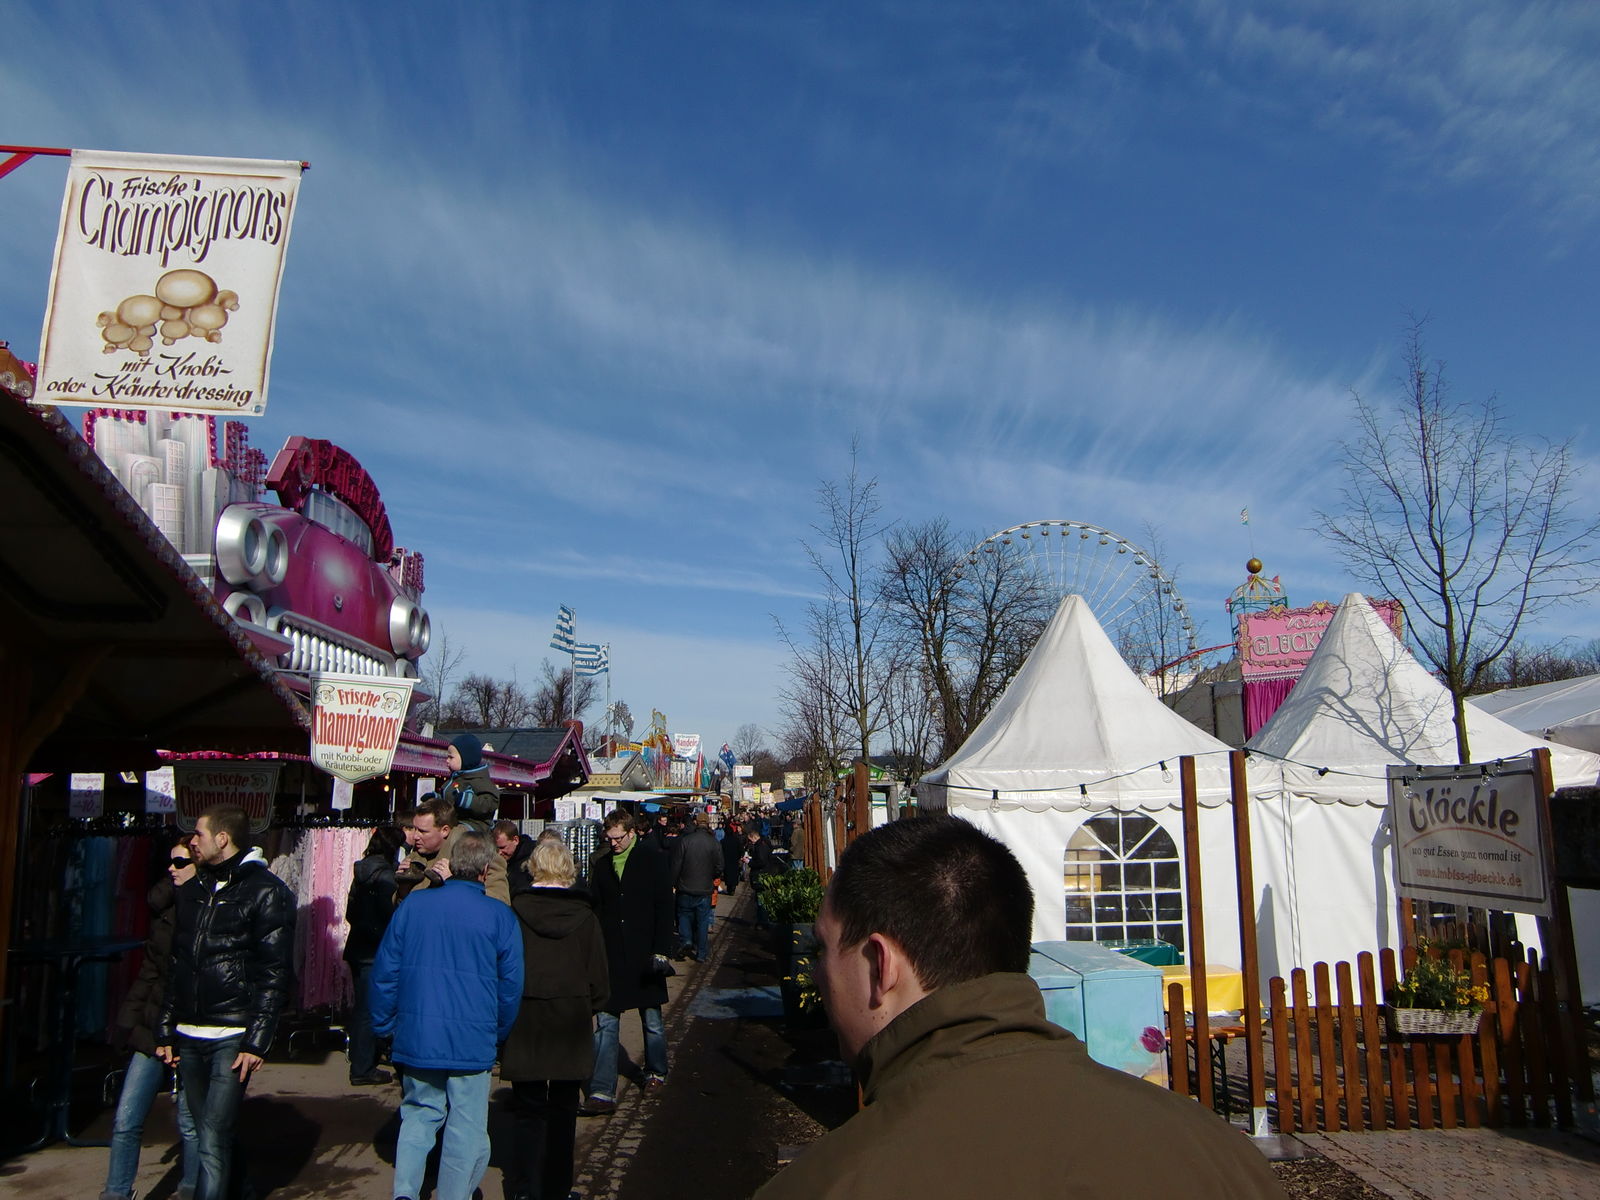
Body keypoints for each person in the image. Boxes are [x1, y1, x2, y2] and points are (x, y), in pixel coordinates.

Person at [754, 817, 1288, 1200]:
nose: (817, 972)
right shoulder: (1222, 1156)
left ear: (880, 964)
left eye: (823, 948)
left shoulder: (827, 1184)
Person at [370, 830, 522, 1200]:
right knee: (466, 1126)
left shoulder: (414, 906)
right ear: (485, 871)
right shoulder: (500, 916)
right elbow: (511, 986)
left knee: (419, 1114)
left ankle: (405, 1193)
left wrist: (384, 1024)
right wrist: (499, 1033)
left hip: (419, 1032)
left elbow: (385, 970)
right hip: (473, 1037)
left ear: (451, 865)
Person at [156, 804, 294, 1200]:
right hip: (189, 1031)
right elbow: (179, 962)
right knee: (209, 1132)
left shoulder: (267, 891)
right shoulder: (193, 889)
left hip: (232, 1033)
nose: (192, 843)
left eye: (198, 835)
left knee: (213, 1134)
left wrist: (257, 1041)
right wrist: (166, 1027)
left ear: (222, 838)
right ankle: (242, 1191)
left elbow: (274, 972)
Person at [502, 835, 609, 1200]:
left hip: (526, 1017)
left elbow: (506, 967)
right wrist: (588, 1005)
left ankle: (524, 1189)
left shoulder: (515, 912)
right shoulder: (585, 917)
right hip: (570, 1019)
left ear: (534, 868)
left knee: (528, 1111)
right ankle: (557, 1190)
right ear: (568, 871)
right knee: (563, 1112)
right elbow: (599, 978)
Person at [102, 833, 200, 1200]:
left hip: (189, 1029)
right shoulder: (164, 910)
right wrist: (127, 1022)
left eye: (181, 862)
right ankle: (116, 1192)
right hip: (151, 1025)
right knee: (126, 1118)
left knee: (190, 1122)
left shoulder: (209, 910)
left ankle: (192, 1189)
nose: (172, 869)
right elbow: (149, 972)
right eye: (169, 862)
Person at [580, 809, 675, 1114]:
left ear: (632, 833)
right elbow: (596, 908)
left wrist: (662, 950)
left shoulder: (652, 859)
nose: (614, 843)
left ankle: (656, 1072)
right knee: (606, 1023)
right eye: (609, 838)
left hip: (645, 953)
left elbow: (664, 906)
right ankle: (601, 1091)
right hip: (611, 955)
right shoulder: (602, 864)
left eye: (618, 838)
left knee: (652, 1019)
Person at [344, 824, 406, 1085]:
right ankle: (362, 1068)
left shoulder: (362, 872)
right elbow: (389, 915)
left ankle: (364, 1060)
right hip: (375, 949)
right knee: (370, 1010)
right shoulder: (386, 877)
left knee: (364, 1008)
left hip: (358, 946)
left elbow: (350, 912)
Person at [398, 793, 510, 903]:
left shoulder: (482, 853)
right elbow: (403, 909)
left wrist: (455, 882)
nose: (415, 836)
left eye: (422, 831)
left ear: (444, 830)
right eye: (415, 829)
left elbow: (500, 903)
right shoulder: (414, 858)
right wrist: (403, 888)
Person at [671, 813, 720, 963]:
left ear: (696, 823)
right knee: (703, 921)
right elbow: (720, 866)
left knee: (684, 916)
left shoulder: (686, 840)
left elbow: (676, 864)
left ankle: (686, 940)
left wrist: (673, 883)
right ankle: (701, 953)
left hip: (685, 886)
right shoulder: (714, 842)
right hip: (705, 888)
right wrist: (711, 876)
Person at [743, 825, 777, 926]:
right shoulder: (763, 844)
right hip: (765, 874)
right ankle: (762, 920)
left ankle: (762, 921)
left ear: (754, 837)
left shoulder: (760, 846)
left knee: (761, 900)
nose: (750, 842)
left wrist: (749, 862)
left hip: (761, 875)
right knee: (762, 899)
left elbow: (761, 861)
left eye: (750, 840)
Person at [493, 818, 536, 895]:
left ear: (515, 840)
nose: (499, 852)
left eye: (503, 847)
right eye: (496, 848)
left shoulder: (531, 862)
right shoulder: (495, 860)